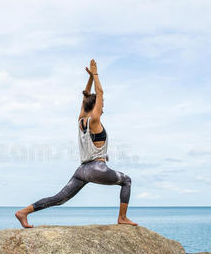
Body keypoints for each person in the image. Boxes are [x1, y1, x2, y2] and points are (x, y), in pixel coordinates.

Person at [15, 59, 137, 228]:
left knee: (59, 198)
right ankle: (122, 217)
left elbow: (85, 96)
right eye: (101, 106)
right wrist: (95, 74)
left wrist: (89, 80)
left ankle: (24, 212)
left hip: (82, 170)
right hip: (96, 169)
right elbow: (99, 93)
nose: (102, 108)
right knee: (127, 181)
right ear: (95, 107)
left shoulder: (81, 120)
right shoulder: (94, 121)